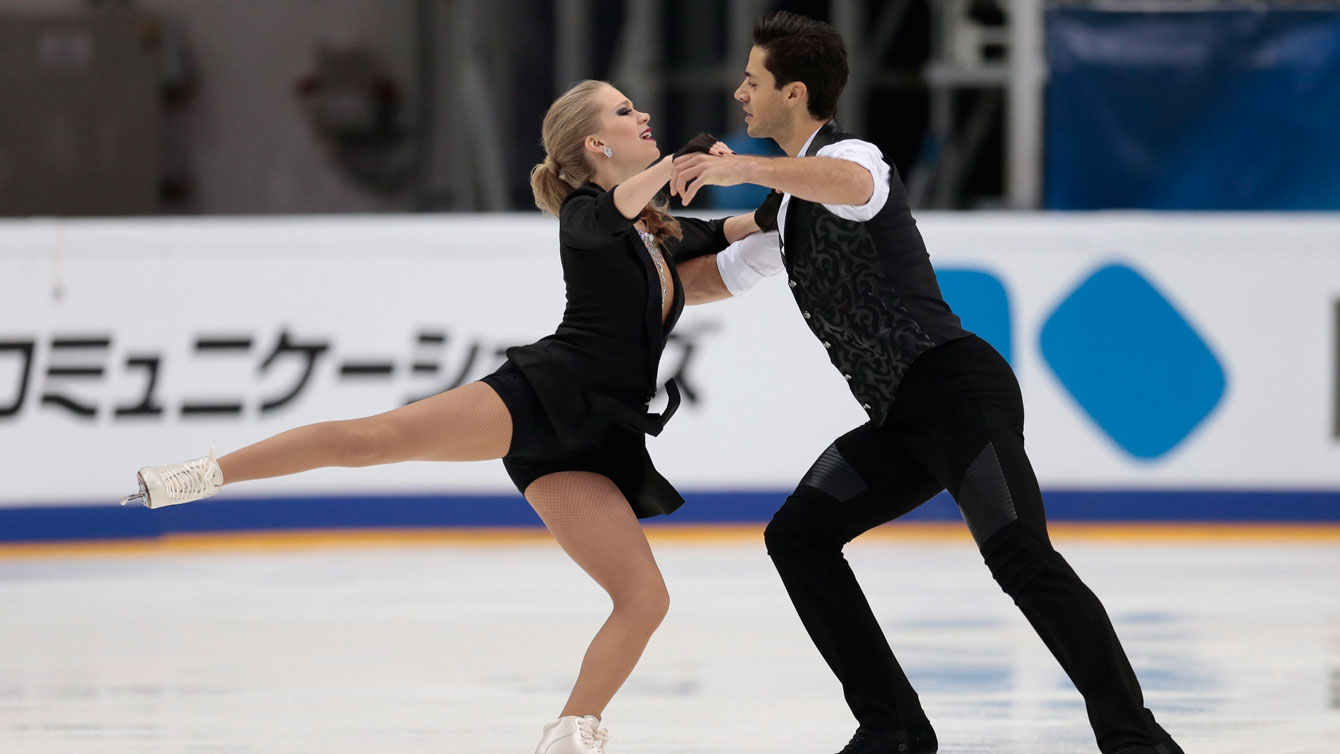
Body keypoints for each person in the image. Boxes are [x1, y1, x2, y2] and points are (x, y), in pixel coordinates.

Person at [121, 79, 759, 754]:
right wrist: (676, 164)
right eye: (626, 111)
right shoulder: (586, 214)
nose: (645, 115)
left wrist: (774, 191)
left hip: (601, 440)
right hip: (542, 398)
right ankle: (199, 476)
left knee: (644, 599)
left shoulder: (659, 233)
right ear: (596, 143)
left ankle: (571, 735)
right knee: (370, 442)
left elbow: (749, 226)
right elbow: (613, 215)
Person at [667, 12, 1184, 754]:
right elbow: (710, 280)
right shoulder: (784, 209)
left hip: (955, 389)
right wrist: (623, 261)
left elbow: (845, 183)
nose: (741, 95)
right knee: (799, 536)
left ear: (795, 92)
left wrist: (739, 169)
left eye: (753, 81)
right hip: (901, 418)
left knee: (1018, 555)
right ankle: (895, 726)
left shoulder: (855, 160)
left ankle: (1137, 740)